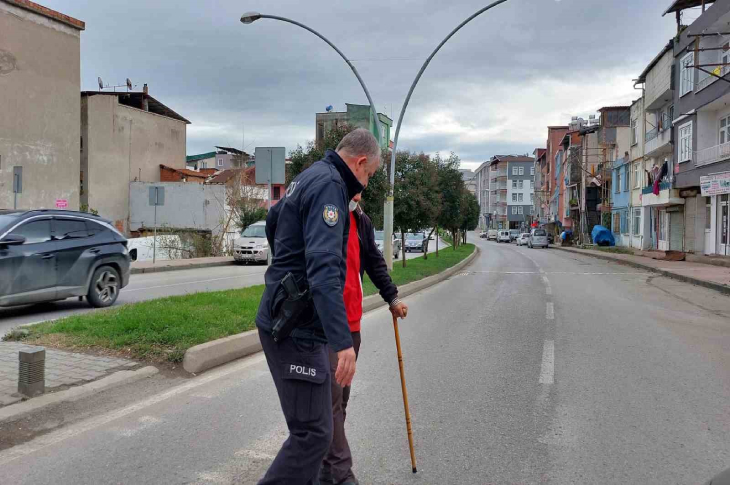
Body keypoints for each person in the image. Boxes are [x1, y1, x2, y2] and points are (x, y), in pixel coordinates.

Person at [255, 128, 382, 485]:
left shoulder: (310, 175)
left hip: (292, 319)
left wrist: (286, 269)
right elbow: (325, 273)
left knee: (317, 431)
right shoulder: (330, 188)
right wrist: (343, 344)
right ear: (359, 162)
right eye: (369, 174)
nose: (367, 184)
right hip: (296, 327)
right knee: (312, 434)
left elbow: (273, 220)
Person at [320, 194, 408, 485]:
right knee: (329, 400)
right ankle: (338, 474)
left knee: (340, 400)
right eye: (355, 187)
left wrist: (392, 297)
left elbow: (374, 261)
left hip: (352, 323)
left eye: (362, 189)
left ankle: (325, 469)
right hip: (324, 323)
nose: (357, 195)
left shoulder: (362, 220)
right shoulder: (327, 215)